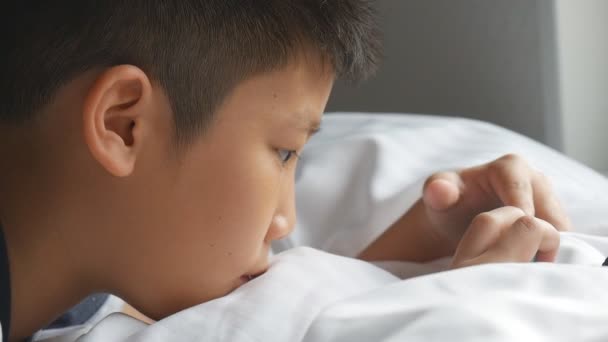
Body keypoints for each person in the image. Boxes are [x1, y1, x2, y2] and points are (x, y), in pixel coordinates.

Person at [0, 1, 569, 341]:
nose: (284, 220)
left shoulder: (86, 289)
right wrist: (458, 318)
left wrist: (420, 246)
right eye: (284, 152)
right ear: (124, 125)